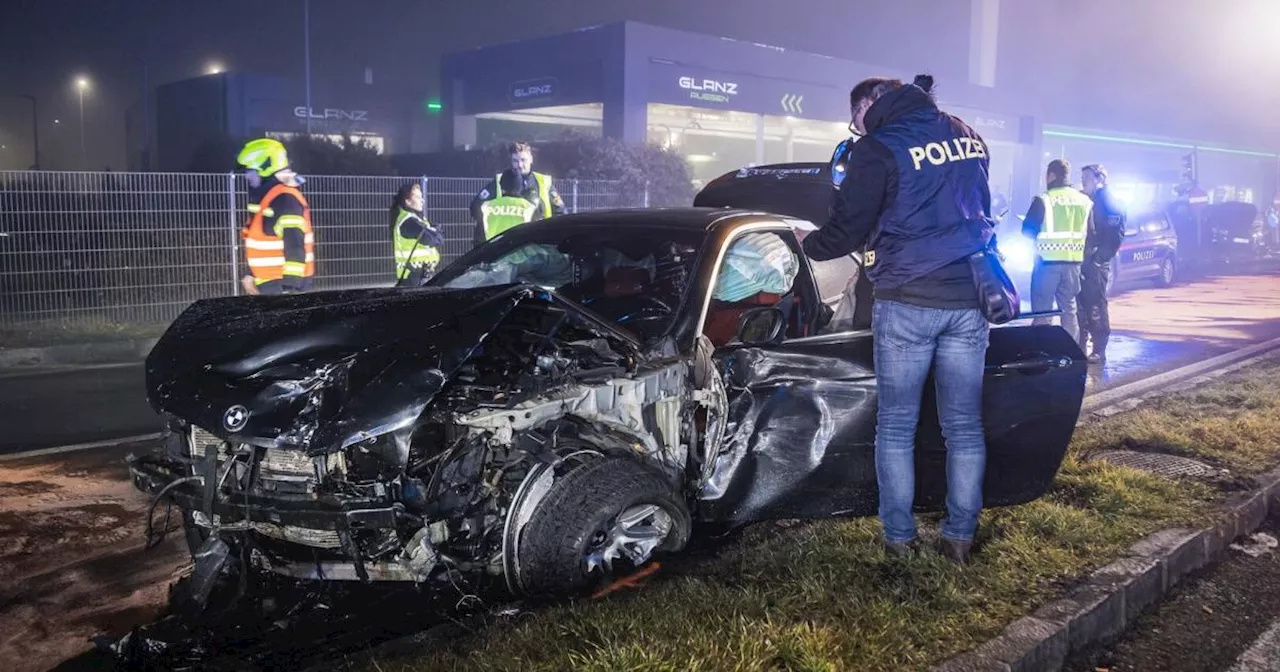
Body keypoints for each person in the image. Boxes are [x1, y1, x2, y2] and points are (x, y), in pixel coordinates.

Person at [800, 74, 994, 565]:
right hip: (969, 297)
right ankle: (959, 539)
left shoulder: (879, 149)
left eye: (856, 116)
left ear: (870, 104)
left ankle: (900, 541)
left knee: (897, 427)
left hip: (907, 299)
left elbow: (847, 229)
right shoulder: (966, 133)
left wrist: (808, 245)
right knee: (964, 427)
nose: (856, 126)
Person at [1022, 159, 1092, 343]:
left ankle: (1043, 351)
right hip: (1073, 265)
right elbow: (1091, 231)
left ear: (1051, 175)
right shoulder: (1084, 201)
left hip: (1047, 264)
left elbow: (1028, 231)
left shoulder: (1044, 199)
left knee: (1043, 312)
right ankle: (1071, 354)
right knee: (1069, 311)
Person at [235, 138, 314, 295]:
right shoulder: (268, 197)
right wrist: (251, 274)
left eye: (250, 171)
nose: (247, 177)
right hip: (270, 283)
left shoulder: (285, 199)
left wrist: (290, 289)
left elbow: (295, 245)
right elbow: (259, 239)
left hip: (281, 285)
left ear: (266, 168)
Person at [469, 141, 566, 245]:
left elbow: (560, 213)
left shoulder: (543, 182)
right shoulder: (500, 181)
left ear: (531, 159)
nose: (519, 165)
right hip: (504, 245)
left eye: (523, 160)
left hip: (537, 245)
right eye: (515, 161)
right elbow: (476, 208)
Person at [1077, 164, 1125, 362]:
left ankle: (1099, 348)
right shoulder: (1083, 198)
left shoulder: (1109, 201)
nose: (1083, 182)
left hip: (1095, 261)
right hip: (1080, 259)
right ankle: (1081, 345)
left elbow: (1115, 235)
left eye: (1087, 178)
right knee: (1079, 305)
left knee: (1095, 303)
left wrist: (1099, 259)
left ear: (1099, 179)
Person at [390, 182, 443, 287]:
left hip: (417, 274)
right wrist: (436, 232)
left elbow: (436, 237)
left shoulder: (415, 219)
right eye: (418, 197)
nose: (422, 200)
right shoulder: (409, 222)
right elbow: (432, 239)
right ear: (408, 201)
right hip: (414, 276)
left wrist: (435, 232)